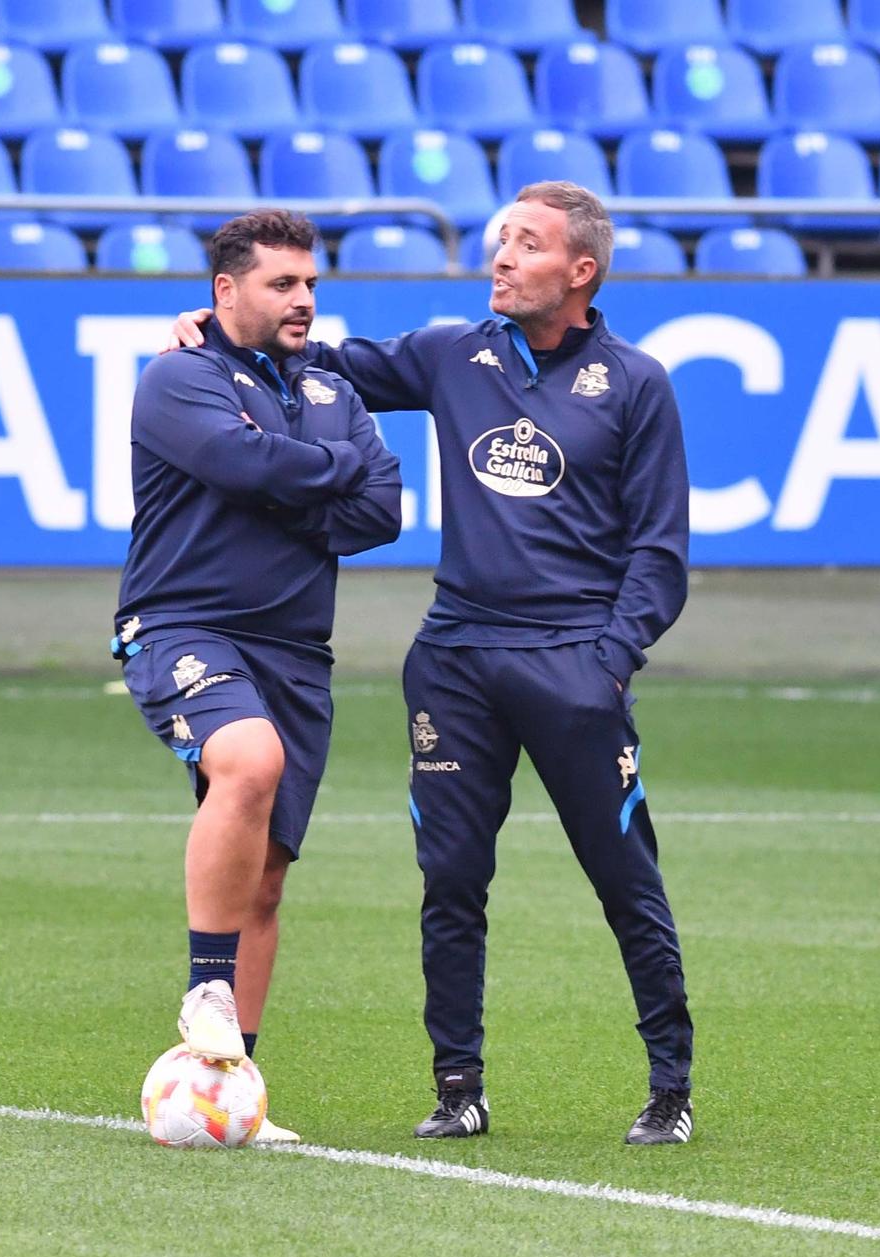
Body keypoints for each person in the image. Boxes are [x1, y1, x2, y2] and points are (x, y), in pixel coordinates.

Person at [168, 183, 694, 1146]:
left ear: (579, 272)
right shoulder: (456, 353)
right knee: (450, 880)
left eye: (526, 245)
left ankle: (670, 1087)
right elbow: (320, 362)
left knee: (622, 877)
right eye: (500, 239)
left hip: (574, 664)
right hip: (454, 660)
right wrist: (217, 330)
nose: (501, 256)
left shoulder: (635, 383)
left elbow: (658, 555)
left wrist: (611, 661)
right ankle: (459, 1088)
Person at [119, 208, 402, 1145]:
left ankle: (232, 1083)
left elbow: (383, 510)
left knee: (269, 879)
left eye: (311, 285)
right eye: (283, 284)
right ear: (224, 291)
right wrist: (328, 470)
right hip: (183, 624)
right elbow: (233, 462)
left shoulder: (329, 388)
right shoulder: (176, 377)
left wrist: (297, 478)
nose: (304, 301)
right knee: (246, 759)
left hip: (295, 648)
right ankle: (207, 986)